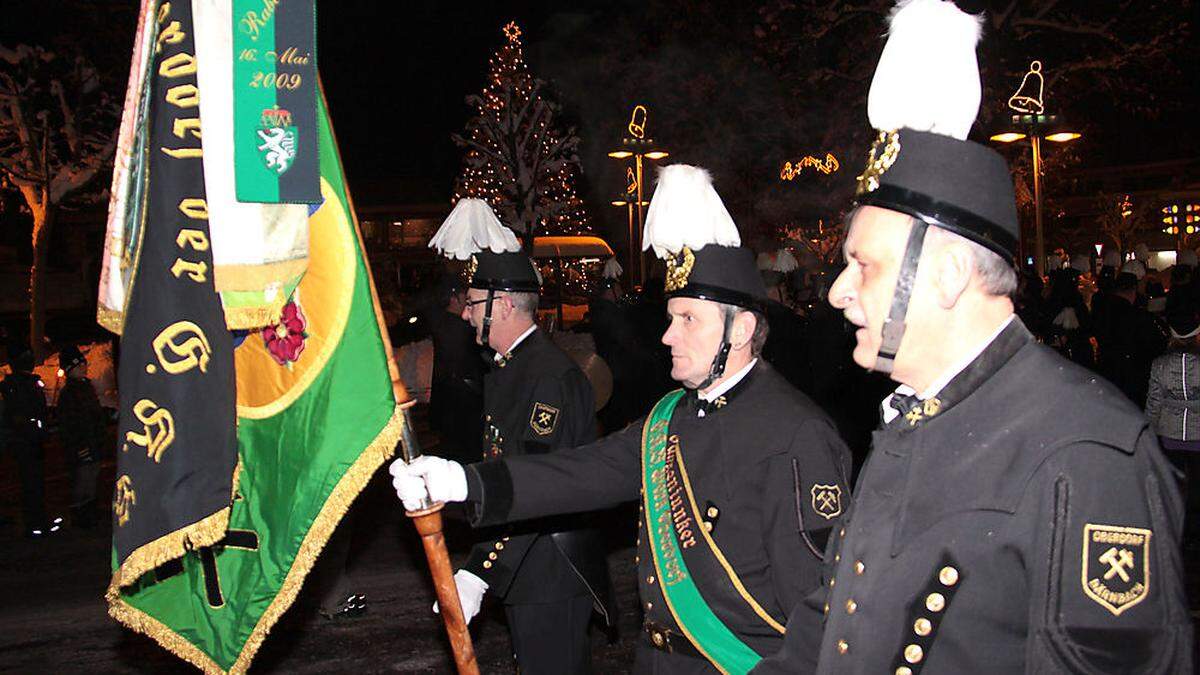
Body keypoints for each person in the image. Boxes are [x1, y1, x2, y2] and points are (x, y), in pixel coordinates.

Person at [755, 2, 1191, 672]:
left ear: (950, 274)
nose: (838, 291)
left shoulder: (1089, 453)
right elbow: (834, 626)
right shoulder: (913, 416)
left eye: (862, 264)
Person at [393, 166, 851, 674]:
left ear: (740, 330)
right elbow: (579, 473)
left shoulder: (795, 433)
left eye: (687, 320)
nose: (667, 336)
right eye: (671, 317)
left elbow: (818, 614)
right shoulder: (669, 419)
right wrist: (463, 482)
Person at [417, 198, 612, 674]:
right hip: (526, 570)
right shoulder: (511, 369)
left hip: (550, 571)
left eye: (474, 303)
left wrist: (479, 573)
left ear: (502, 305)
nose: (465, 314)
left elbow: (531, 482)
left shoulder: (546, 377)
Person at [1145, 307, 1200, 548]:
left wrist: (1149, 428)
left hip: (1169, 431)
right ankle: (1193, 530)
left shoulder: (1160, 364)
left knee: (1174, 484)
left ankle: (1175, 526)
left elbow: (1154, 401)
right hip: (1198, 432)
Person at [0, 346, 57, 537]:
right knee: (30, 483)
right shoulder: (15, 387)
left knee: (36, 482)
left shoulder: (28, 384)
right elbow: (17, 416)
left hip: (32, 441)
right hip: (25, 442)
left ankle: (38, 520)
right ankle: (34, 523)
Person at [54, 345, 106, 528]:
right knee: (83, 479)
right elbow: (70, 425)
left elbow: (94, 415)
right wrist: (79, 447)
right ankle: (80, 516)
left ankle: (90, 513)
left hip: (93, 441)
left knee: (92, 476)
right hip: (82, 444)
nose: (84, 368)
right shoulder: (69, 394)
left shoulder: (86, 388)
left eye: (84, 364)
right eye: (79, 365)